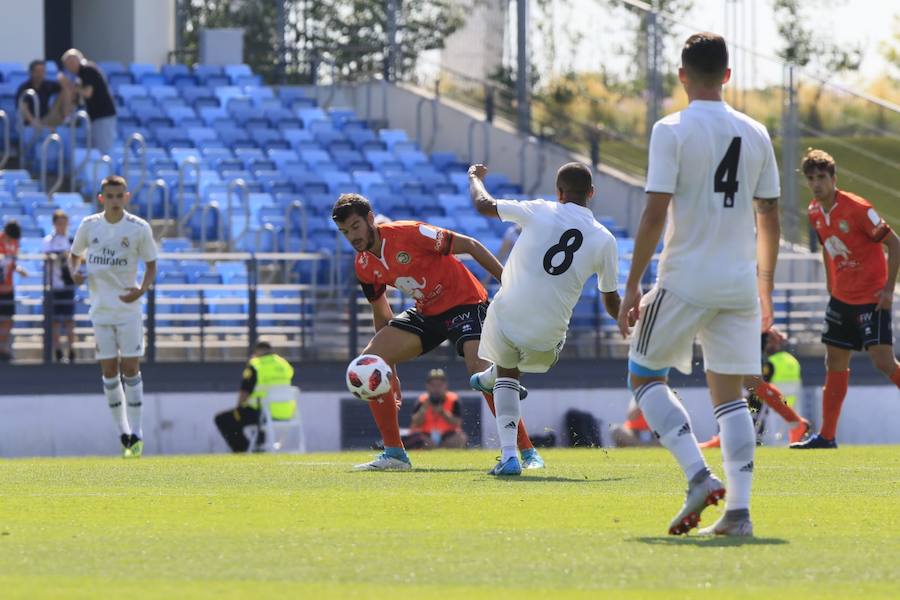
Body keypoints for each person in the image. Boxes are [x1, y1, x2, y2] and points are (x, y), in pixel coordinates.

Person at [616, 33, 781, 537]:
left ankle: (697, 476)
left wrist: (632, 285)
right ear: (728, 76)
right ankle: (739, 513)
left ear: (682, 75)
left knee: (644, 377)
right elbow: (769, 213)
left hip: (685, 278)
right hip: (739, 286)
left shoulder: (671, 129)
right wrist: (765, 289)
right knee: (729, 396)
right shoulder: (755, 132)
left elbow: (654, 212)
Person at [332, 193, 544, 471]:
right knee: (369, 362)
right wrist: (388, 370)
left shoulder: (409, 232)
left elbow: (471, 244)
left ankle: (527, 452)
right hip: (427, 312)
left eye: (356, 227)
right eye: (345, 232)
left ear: (370, 219)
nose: (352, 236)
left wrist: (508, 283)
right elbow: (381, 313)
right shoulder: (363, 266)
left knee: (479, 368)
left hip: (466, 302)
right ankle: (395, 454)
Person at [468, 162, 620, 475]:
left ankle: (509, 452)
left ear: (559, 193)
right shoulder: (606, 240)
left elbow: (483, 205)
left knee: (506, 372)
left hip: (506, 317)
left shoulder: (540, 209)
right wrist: (632, 325)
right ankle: (497, 396)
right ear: (591, 193)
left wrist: (474, 178)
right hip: (548, 337)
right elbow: (611, 301)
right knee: (514, 371)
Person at [791, 148, 900, 449]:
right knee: (834, 361)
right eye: (811, 178)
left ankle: (826, 436)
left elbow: (895, 244)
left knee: (883, 362)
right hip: (842, 298)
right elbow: (828, 247)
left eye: (821, 177)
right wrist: (831, 282)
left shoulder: (857, 207)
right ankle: (826, 436)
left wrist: (889, 289)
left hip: (871, 297)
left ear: (833, 178)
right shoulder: (814, 211)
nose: (816, 184)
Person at [68, 175, 157, 457]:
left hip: (128, 311)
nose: (115, 201)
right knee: (108, 372)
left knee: (130, 368)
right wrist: (74, 273)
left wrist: (141, 290)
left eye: (120, 196)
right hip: (100, 311)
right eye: (110, 196)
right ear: (101, 198)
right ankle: (124, 434)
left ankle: (138, 431)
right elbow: (74, 255)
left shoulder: (138, 228)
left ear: (127, 197)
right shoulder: (89, 225)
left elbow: (151, 264)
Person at [700, 328, 809, 448]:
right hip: (738, 331)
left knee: (748, 382)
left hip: (743, 331)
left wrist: (766, 326)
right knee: (732, 380)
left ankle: (795, 422)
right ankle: (726, 436)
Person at [214, 341, 296, 452]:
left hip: (262, 413)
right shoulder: (284, 364)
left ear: (257, 351)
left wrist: (239, 408)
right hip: (286, 412)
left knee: (222, 419)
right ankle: (258, 447)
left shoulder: (256, 365)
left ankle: (243, 450)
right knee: (253, 413)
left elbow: (245, 392)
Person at [61, 49, 117, 154]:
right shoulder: (80, 75)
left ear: (74, 62)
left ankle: (106, 170)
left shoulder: (87, 69)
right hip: (96, 117)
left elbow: (87, 93)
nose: (68, 69)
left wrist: (69, 85)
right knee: (94, 150)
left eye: (68, 64)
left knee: (103, 151)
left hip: (103, 115)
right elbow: (77, 99)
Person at [43, 210, 77, 362]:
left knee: (69, 320)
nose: (62, 226)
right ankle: (57, 351)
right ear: (54, 224)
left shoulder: (72, 240)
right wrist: (58, 256)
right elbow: (47, 257)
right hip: (55, 286)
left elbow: (78, 259)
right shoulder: (49, 240)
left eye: (65, 223)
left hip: (68, 286)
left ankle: (71, 350)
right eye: (59, 223)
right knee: (55, 321)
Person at [404, 368, 468, 449]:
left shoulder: (453, 399)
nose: (436, 388)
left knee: (460, 438)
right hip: (426, 436)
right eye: (433, 385)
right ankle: (436, 448)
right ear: (427, 386)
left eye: (439, 385)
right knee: (418, 439)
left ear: (445, 385)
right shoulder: (422, 400)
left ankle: (439, 448)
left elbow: (457, 422)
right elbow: (415, 422)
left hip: (447, 436)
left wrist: (443, 413)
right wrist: (424, 409)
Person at [0, 220, 28, 362]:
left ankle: (3, 349)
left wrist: (19, 269)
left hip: (8, 288)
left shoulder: (15, 244)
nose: (11, 241)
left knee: (8, 319)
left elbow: (12, 264)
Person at [16, 60, 68, 129]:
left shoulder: (47, 85)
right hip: (28, 124)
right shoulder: (24, 88)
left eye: (42, 71)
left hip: (45, 119)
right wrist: (34, 123)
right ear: (31, 72)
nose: (40, 74)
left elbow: (64, 89)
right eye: (37, 71)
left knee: (65, 91)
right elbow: (23, 108)